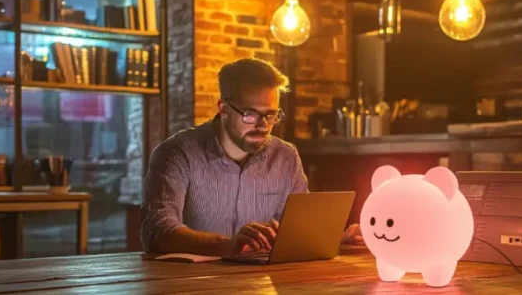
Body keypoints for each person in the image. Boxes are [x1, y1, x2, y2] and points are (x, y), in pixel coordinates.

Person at [140, 58, 363, 256]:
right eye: (250, 114)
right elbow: (158, 231)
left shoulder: (285, 157)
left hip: (262, 285)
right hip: (190, 286)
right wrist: (229, 245)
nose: (263, 125)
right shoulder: (176, 154)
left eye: (271, 114)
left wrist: (338, 239)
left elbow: (298, 231)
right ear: (223, 108)